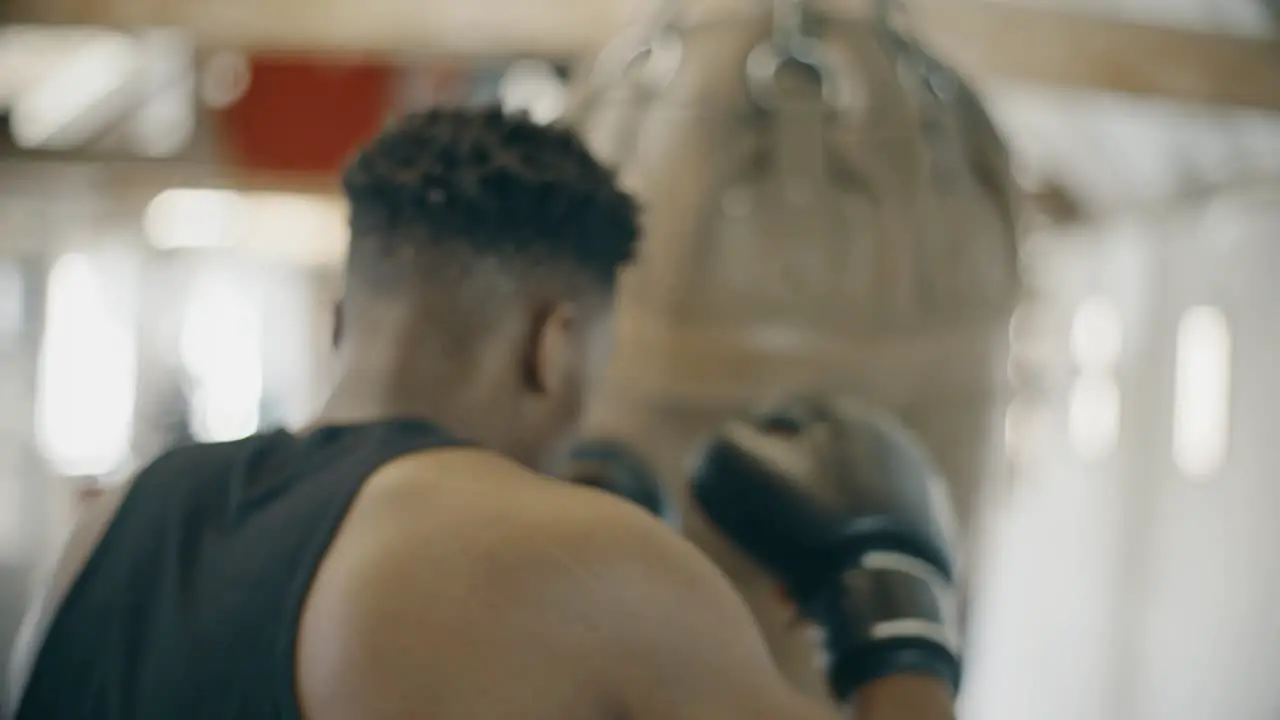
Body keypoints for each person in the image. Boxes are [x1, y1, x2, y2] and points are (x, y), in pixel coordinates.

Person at [7, 107, 958, 720]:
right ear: (552, 346)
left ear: (346, 320)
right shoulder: (582, 557)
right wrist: (898, 599)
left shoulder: (110, 525)